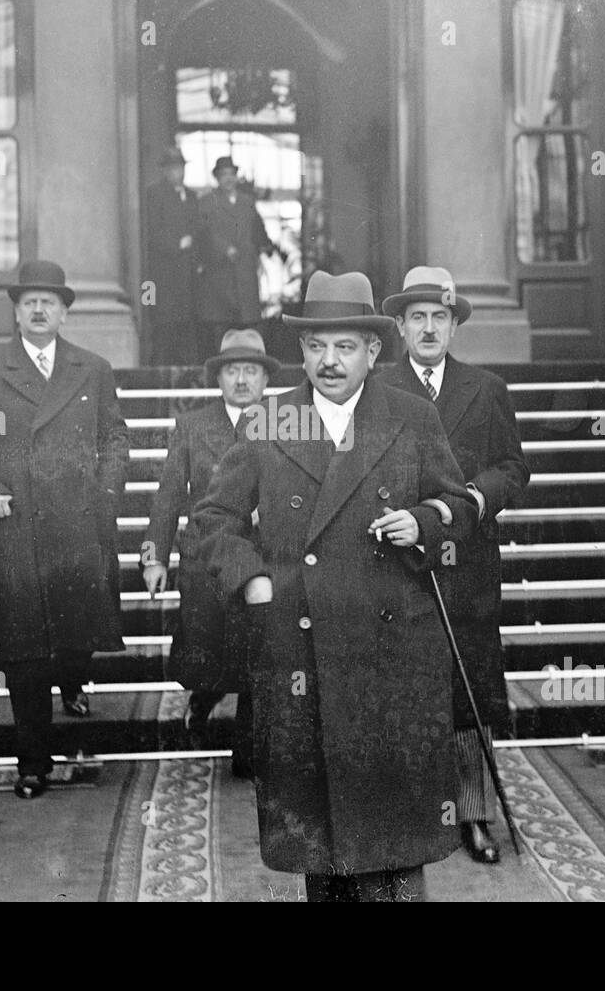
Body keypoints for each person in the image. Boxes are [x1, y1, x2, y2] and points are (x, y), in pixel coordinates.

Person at [193, 270, 478, 902]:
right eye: (317, 346)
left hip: (393, 655)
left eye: (345, 347)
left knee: (394, 844)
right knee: (322, 840)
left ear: (374, 351)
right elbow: (213, 518)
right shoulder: (269, 421)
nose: (330, 361)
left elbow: (458, 503)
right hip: (301, 652)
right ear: (301, 351)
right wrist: (252, 579)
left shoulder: (412, 417)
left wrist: (424, 522)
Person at [380, 265, 530, 864]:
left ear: (453, 325)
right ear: (399, 326)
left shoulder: (486, 389)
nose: (428, 328)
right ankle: (407, 810)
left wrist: (474, 497)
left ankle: (473, 814)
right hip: (397, 559)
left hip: (467, 562)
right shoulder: (378, 388)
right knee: (401, 682)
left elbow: (513, 468)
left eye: (439, 317)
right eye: (416, 317)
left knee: (470, 687)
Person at [0, 260, 129, 799]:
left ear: (64, 313)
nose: (39, 310)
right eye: (29, 302)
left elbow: (115, 438)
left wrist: (105, 496)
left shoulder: (93, 368)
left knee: (74, 631)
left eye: (49, 302)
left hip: (79, 525)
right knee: (23, 650)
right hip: (17, 525)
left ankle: (74, 678)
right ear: (16, 313)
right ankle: (32, 763)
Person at [142, 328, 279, 777]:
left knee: (258, 653)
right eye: (232, 371)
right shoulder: (193, 426)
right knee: (208, 648)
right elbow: (168, 495)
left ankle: (247, 752)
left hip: (261, 559)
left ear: (265, 378)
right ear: (218, 378)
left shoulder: (286, 423)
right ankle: (204, 698)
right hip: (205, 557)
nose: (241, 380)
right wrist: (154, 557)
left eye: (251, 370)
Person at [196, 156, 276, 360]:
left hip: (245, 272)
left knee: (249, 326)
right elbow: (204, 234)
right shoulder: (207, 202)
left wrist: (268, 247)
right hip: (220, 273)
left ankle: (251, 364)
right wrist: (223, 249)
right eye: (223, 175)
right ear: (216, 178)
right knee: (221, 327)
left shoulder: (247, 202)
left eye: (231, 174)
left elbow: (258, 230)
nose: (228, 179)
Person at [144, 147, 201, 365]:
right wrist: (177, 244)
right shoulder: (154, 194)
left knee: (186, 323)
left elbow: (198, 228)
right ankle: (160, 369)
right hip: (162, 273)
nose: (178, 172)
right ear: (165, 171)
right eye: (173, 168)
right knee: (163, 322)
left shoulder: (192, 196)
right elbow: (152, 230)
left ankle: (186, 372)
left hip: (187, 273)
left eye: (181, 168)